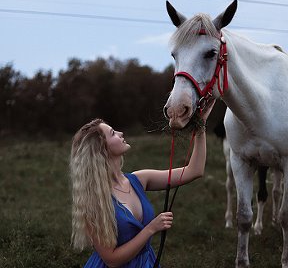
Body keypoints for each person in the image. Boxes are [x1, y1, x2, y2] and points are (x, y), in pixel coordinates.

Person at [69, 101, 215, 268]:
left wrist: (200, 126)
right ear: (101, 150)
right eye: (113, 133)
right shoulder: (95, 200)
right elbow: (112, 260)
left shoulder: (138, 179)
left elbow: (194, 171)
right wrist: (150, 229)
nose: (121, 133)